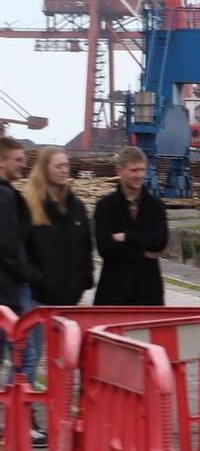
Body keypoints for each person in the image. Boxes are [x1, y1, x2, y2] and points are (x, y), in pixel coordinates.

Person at [93, 146, 168, 306]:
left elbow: (160, 241)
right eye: (134, 170)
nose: (139, 175)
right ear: (120, 171)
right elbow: (105, 248)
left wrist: (127, 237)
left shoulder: (155, 206)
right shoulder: (106, 206)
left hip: (148, 294)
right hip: (114, 295)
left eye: (142, 170)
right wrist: (144, 252)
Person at [22, 147, 93, 312]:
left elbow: (86, 246)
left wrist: (84, 280)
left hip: (71, 299)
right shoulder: (30, 207)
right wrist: (40, 281)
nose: (64, 171)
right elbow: (22, 253)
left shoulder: (76, 207)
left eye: (66, 166)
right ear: (44, 169)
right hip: (39, 300)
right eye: (58, 166)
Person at [0, 136, 33, 378]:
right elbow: (8, 245)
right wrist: (26, 274)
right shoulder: (5, 196)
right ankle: (18, 413)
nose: (23, 164)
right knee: (25, 355)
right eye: (18, 160)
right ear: (2, 161)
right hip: (6, 290)